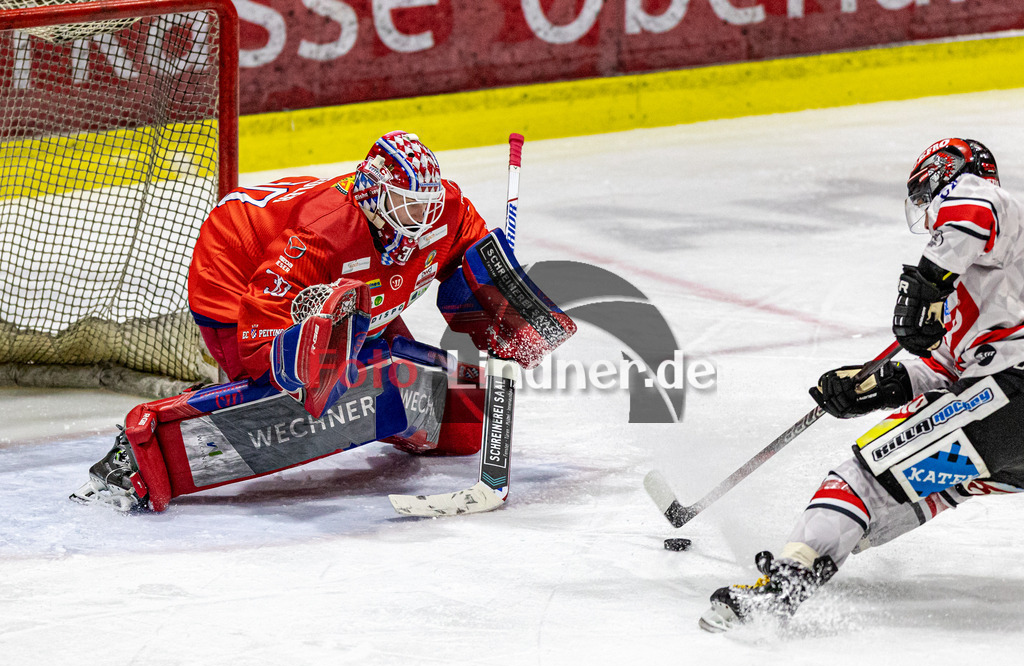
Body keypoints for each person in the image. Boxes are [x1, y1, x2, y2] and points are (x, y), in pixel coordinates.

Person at [71, 130, 575, 511]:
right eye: (405, 207)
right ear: (373, 193)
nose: (420, 222)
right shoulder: (323, 236)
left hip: (339, 289)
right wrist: (304, 366)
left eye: (425, 205)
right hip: (234, 268)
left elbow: (470, 258)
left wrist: (503, 301)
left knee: (460, 413)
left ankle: (357, 370)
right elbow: (258, 336)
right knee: (301, 381)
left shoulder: (442, 211)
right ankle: (140, 454)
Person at [700, 138, 1024, 632]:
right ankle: (826, 546)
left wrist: (927, 283)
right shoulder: (985, 284)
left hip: (1011, 395)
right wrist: (878, 384)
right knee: (940, 483)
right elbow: (946, 372)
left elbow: (972, 205)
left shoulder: (991, 204)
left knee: (862, 479)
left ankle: (784, 588)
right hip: (1008, 428)